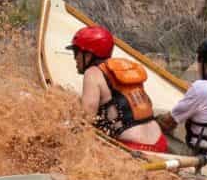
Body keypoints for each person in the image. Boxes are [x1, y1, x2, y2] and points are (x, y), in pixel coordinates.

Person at [67, 25, 168, 153]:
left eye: (76, 52)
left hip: (133, 148)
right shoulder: (124, 69)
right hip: (160, 143)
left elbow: (86, 119)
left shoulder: (92, 73)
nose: (74, 58)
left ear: (88, 55)